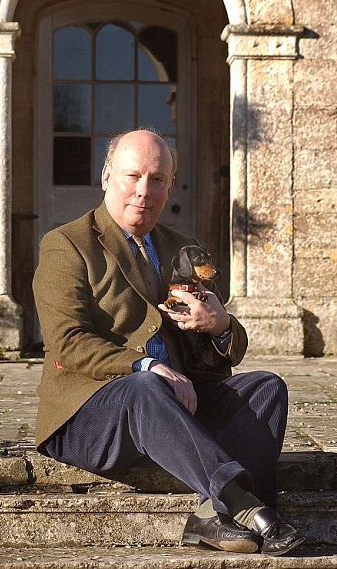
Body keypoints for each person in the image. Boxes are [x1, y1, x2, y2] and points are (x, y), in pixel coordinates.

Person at [33, 128, 304, 556]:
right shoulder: (66, 244)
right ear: (106, 177)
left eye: (157, 179)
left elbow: (217, 355)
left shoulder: (183, 248)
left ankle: (210, 519)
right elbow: (67, 341)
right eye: (132, 176)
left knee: (266, 387)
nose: (143, 191)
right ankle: (245, 507)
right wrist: (146, 366)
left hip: (174, 408)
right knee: (146, 386)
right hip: (89, 416)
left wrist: (218, 326)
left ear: (170, 186)